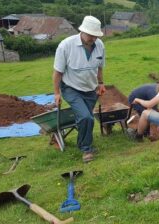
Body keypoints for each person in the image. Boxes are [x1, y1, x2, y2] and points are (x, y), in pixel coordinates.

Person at [52, 15, 106, 163]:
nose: (93, 39)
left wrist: (100, 83)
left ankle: (82, 143)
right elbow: (57, 73)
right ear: (82, 31)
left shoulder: (100, 45)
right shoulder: (66, 46)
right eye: (91, 35)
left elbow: (100, 66)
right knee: (86, 117)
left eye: (96, 36)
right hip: (71, 87)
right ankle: (86, 149)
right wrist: (57, 93)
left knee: (86, 119)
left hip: (90, 88)